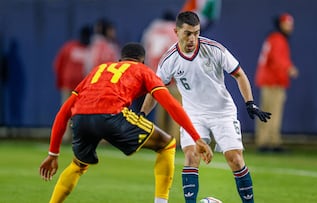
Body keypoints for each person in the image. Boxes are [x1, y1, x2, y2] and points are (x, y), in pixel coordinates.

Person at [39, 43, 213, 203]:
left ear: (120, 59)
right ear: (142, 60)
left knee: (78, 164)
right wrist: (196, 137)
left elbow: (63, 112)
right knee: (166, 144)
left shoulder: (99, 70)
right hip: (112, 115)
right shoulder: (143, 70)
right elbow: (171, 104)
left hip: (81, 118)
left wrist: (53, 153)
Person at [141, 11, 271, 203]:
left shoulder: (214, 49)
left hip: (222, 112)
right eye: (188, 33)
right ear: (176, 31)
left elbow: (239, 74)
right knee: (192, 155)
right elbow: (155, 90)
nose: (193, 38)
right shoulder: (169, 60)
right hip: (193, 115)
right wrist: (142, 114)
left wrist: (249, 102)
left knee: (235, 159)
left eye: (196, 33)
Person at [254, 13, 299, 153]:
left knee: (268, 112)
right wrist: (289, 68)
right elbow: (278, 59)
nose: (290, 27)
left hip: (269, 80)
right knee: (272, 112)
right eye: (287, 24)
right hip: (273, 81)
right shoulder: (278, 39)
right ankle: (270, 142)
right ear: (281, 24)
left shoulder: (274, 38)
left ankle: (267, 141)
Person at [140, 10, 181, 143]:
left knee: (159, 107)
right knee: (176, 107)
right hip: (172, 76)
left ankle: (161, 138)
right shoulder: (174, 31)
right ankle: (176, 139)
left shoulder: (151, 30)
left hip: (155, 75)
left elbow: (144, 51)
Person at [53, 25, 92, 142]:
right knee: (66, 112)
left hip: (84, 87)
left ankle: (80, 136)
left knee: (83, 113)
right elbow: (59, 64)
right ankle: (65, 136)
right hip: (70, 85)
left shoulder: (90, 50)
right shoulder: (70, 47)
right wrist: (60, 81)